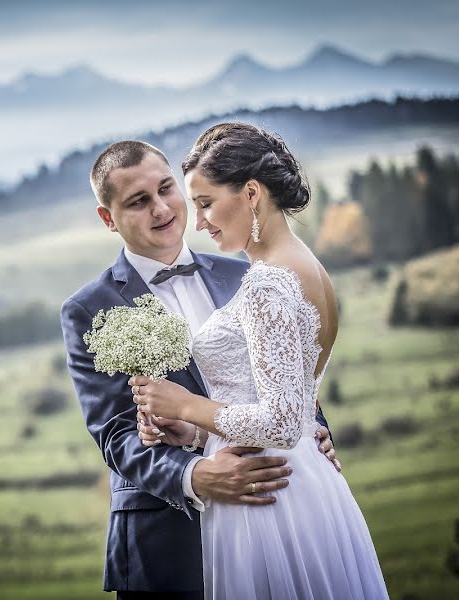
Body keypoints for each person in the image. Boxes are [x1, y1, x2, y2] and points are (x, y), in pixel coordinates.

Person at [60, 140, 339, 599]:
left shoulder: (245, 272)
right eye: (138, 201)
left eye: (167, 189)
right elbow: (116, 435)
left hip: (275, 514)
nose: (161, 208)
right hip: (168, 542)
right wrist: (195, 476)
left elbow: (287, 371)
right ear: (108, 219)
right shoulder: (88, 310)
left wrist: (314, 429)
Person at [129, 123, 388, 599]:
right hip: (297, 480)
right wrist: (194, 434)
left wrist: (186, 406)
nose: (200, 222)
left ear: (250, 193)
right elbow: (281, 398)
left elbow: (284, 420)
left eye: (206, 203)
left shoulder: (269, 283)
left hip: (269, 498)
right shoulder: (302, 263)